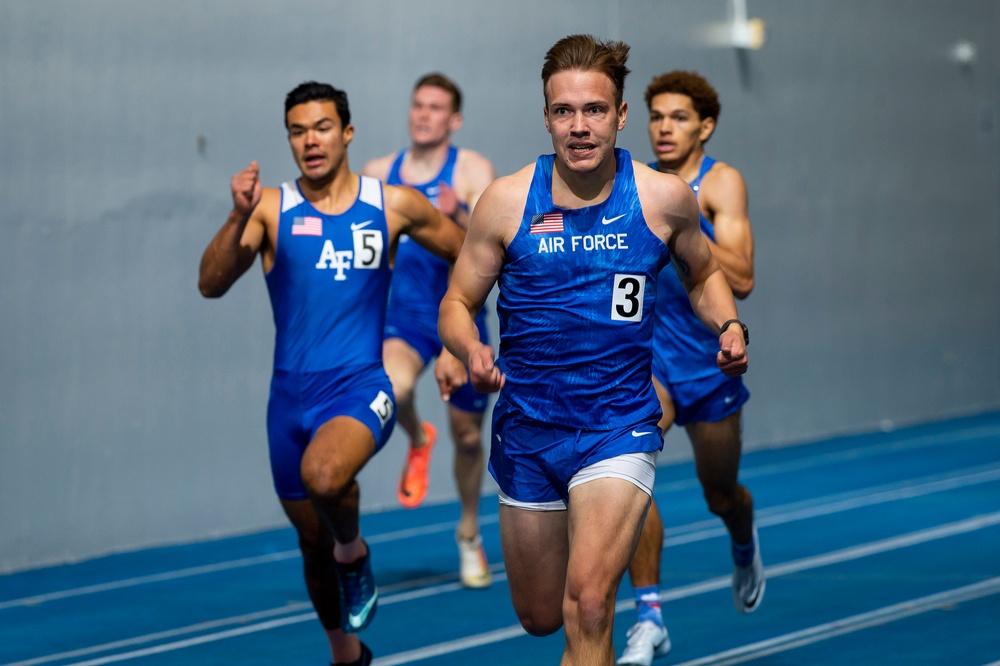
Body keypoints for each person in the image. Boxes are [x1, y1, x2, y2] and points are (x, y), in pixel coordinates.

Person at [438, 35, 750, 666]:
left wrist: (728, 326)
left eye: (595, 111)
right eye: (564, 111)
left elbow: (705, 273)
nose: (579, 127)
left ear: (620, 115)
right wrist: (469, 347)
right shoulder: (505, 201)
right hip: (528, 430)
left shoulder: (662, 199)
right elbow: (455, 304)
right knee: (540, 615)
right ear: (546, 114)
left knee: (589, 605)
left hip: (618, 424)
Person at [198, 81, 465, 666]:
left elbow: (471, 254)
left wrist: (458, 341)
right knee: (309, 542)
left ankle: (355, 549)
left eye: (322, 127)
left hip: (361, 385)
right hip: (288, 401)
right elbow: (211, 283)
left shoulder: (392, 204)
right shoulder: (271, 208)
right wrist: (235, 216)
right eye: (297, 130)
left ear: (346, 132)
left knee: (325, 479)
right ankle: (347, 655)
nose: (310, 140)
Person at [616, 71, 761, 666]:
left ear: (705, 126)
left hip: (709, 366)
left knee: (720, 492)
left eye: (678, 117)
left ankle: (743, 538)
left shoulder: (720, 182)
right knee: (629, 468)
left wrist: (690, 222)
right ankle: (648, 615)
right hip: (651, 361)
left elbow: (744, 279)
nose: (664, 128)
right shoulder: (641, 184)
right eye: (656, 117)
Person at [361, 73, 496, 588]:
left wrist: (457, 210)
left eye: (435, 107)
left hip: (459, 316)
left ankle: (467, 531)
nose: (423, 114)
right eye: (418, 105)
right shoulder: (379, 172)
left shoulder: (472, 169)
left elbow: (492, 246)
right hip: (405, 317)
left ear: (453, 119)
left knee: (466, 437)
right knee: (391, 390)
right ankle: (418, 435)